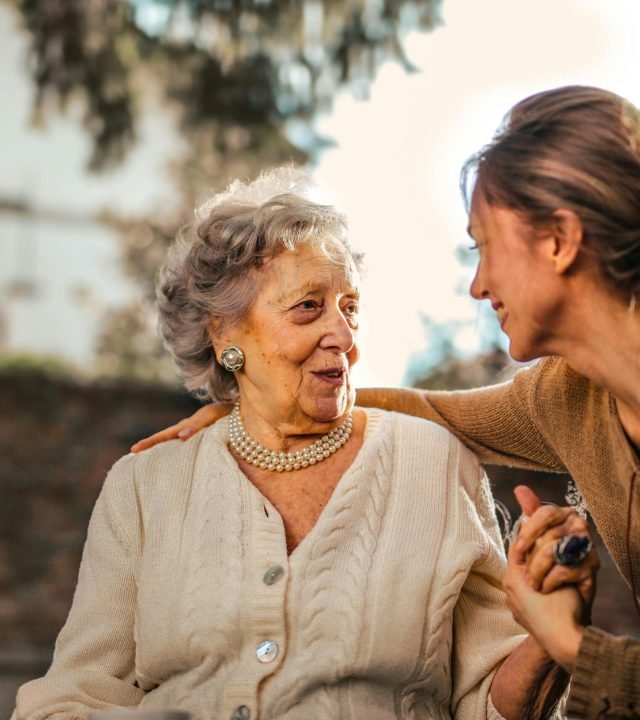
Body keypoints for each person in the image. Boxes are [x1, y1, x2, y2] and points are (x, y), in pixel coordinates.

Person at [135, 85, 640, 719]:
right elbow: (435, 410)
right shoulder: (565, 399)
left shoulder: (480, 450)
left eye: (484, 246)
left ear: (561, 241)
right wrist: (259, 403)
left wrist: (569, 643)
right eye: (308, 309)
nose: (478, 285)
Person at [13, 168, 567, 720]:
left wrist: (550, 638)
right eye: (308, 306)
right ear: (224, 333)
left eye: (350, 307)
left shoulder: (435, 465)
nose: (345, 337)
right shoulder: (144, 486)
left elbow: (489, 704)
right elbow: (73, 696)